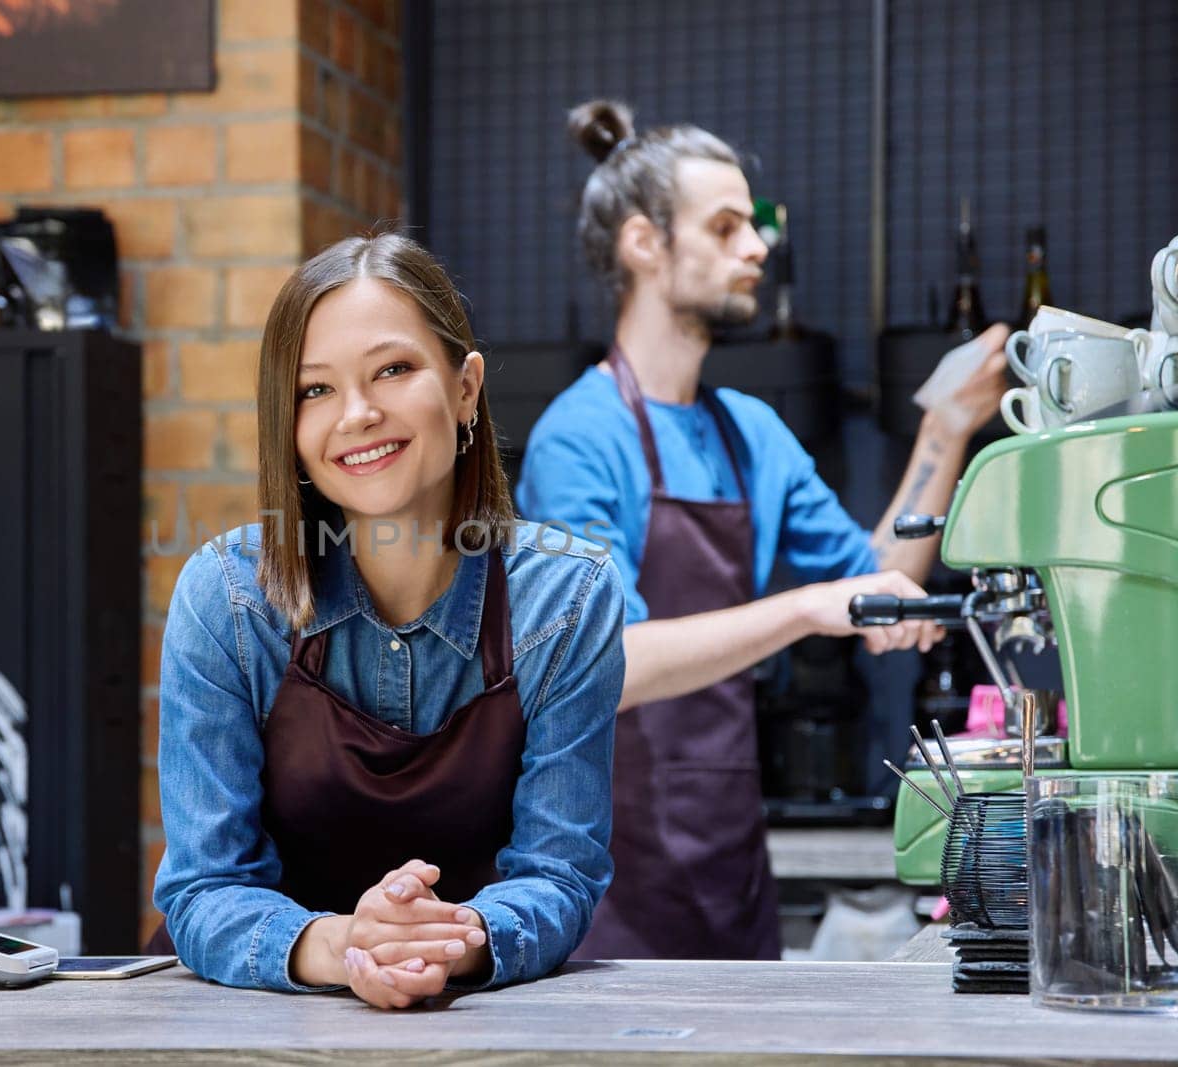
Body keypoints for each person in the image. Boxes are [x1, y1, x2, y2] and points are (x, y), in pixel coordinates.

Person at [515, 101, 1010, 961]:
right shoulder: (578, 438)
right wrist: (803, 608)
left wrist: (944, 427)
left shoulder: (750, 431)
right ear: (645, 244)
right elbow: (607, 667)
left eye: (757, 224)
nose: (759, 246)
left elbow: (875, 587)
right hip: (606, 881)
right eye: (728, 225)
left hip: (732, 865)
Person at [152, 232, 625, 1007]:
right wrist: (344, 944)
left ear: (466, 386)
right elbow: (203, 888)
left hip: (478, 1022)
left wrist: (445, 941)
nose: (359, 415)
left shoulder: (566, 599)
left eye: (394, 370)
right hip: (244, 1023)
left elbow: (559, 873)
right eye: (316, 391)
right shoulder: (230, 598)